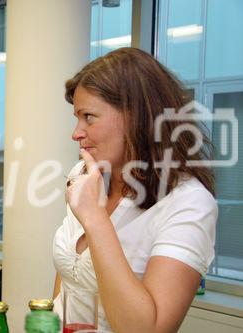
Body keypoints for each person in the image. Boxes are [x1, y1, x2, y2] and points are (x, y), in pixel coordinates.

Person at [52, 47, 217, 333]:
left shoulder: (189, 202)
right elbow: (68, 285)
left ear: (136, 117)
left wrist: (95, 219)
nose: (76, 132)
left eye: (88, 117)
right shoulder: (86, 176)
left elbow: (148, 329)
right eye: (76, 117)